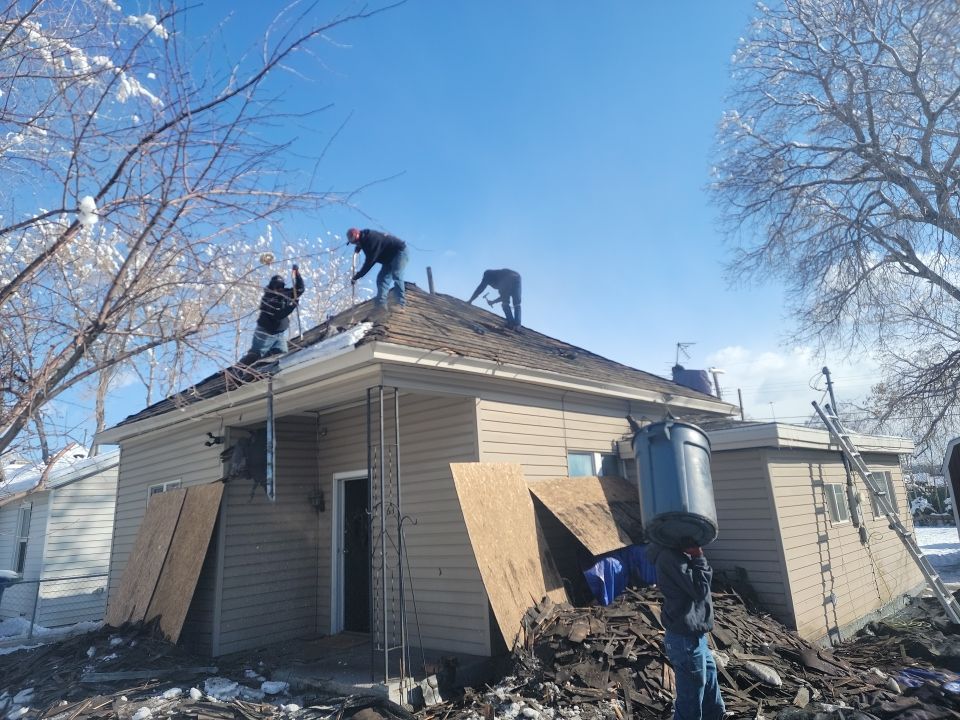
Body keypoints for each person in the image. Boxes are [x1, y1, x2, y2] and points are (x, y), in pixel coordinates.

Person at [647, 542, 725, 720]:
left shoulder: (677, 555)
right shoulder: (670, 558)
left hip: (695, 636)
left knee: (709, 684)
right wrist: (699, 556)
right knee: (690, 700)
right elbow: (700, 589)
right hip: (685, 639)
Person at [242, 266, 304, 362]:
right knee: (255, 356)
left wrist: (297, 275)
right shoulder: (268, 299)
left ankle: (265, 368)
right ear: (271, 286)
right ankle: (238, 372)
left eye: (281, 286)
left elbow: (300, 289)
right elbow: (278, 315)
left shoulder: (285, 294)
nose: (278, 289)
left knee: (281, 354)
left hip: (279, 333)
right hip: (265, 332)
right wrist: (292, 306)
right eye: (276, 286)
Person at [346, 227, 409, 309]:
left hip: (399, 252)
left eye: (355, 243)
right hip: (388, 258)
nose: (355, 245)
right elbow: (363, 243)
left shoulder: (371, 240)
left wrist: (357, 276)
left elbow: (369, 262)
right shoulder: (365, 239)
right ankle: (381, 306)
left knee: (396, 274)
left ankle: (400, 304)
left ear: (357, 237)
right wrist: (359, 247)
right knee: (382, 279)